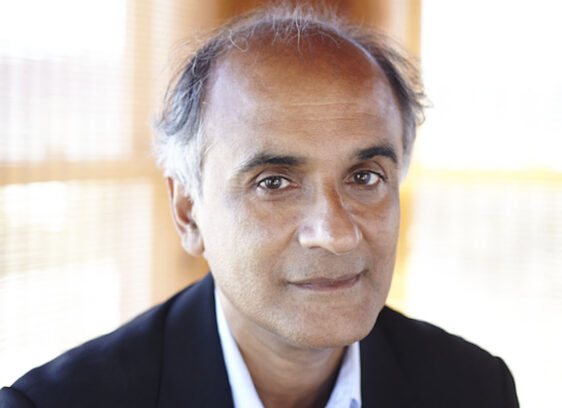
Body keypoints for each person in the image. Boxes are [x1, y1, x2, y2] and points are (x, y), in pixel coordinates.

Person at [0, 4, 518, 408]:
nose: (335, 233)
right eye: (273, 183)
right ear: (188, 211)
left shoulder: (475, 389)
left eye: (365, 177)